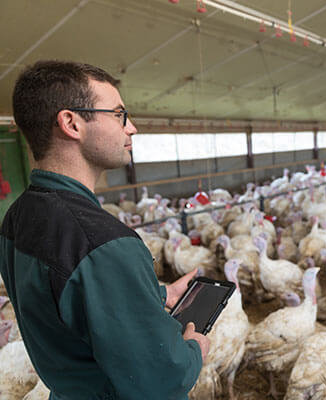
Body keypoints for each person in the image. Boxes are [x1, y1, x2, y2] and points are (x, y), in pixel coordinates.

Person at [0, 60, 209, 399]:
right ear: (72, 123)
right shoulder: (104, 245)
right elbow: (161, 380)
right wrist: (193, 350)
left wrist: (157, 295)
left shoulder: (18, 217)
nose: (132, 128)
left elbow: (65, 303)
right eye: (119, 115)